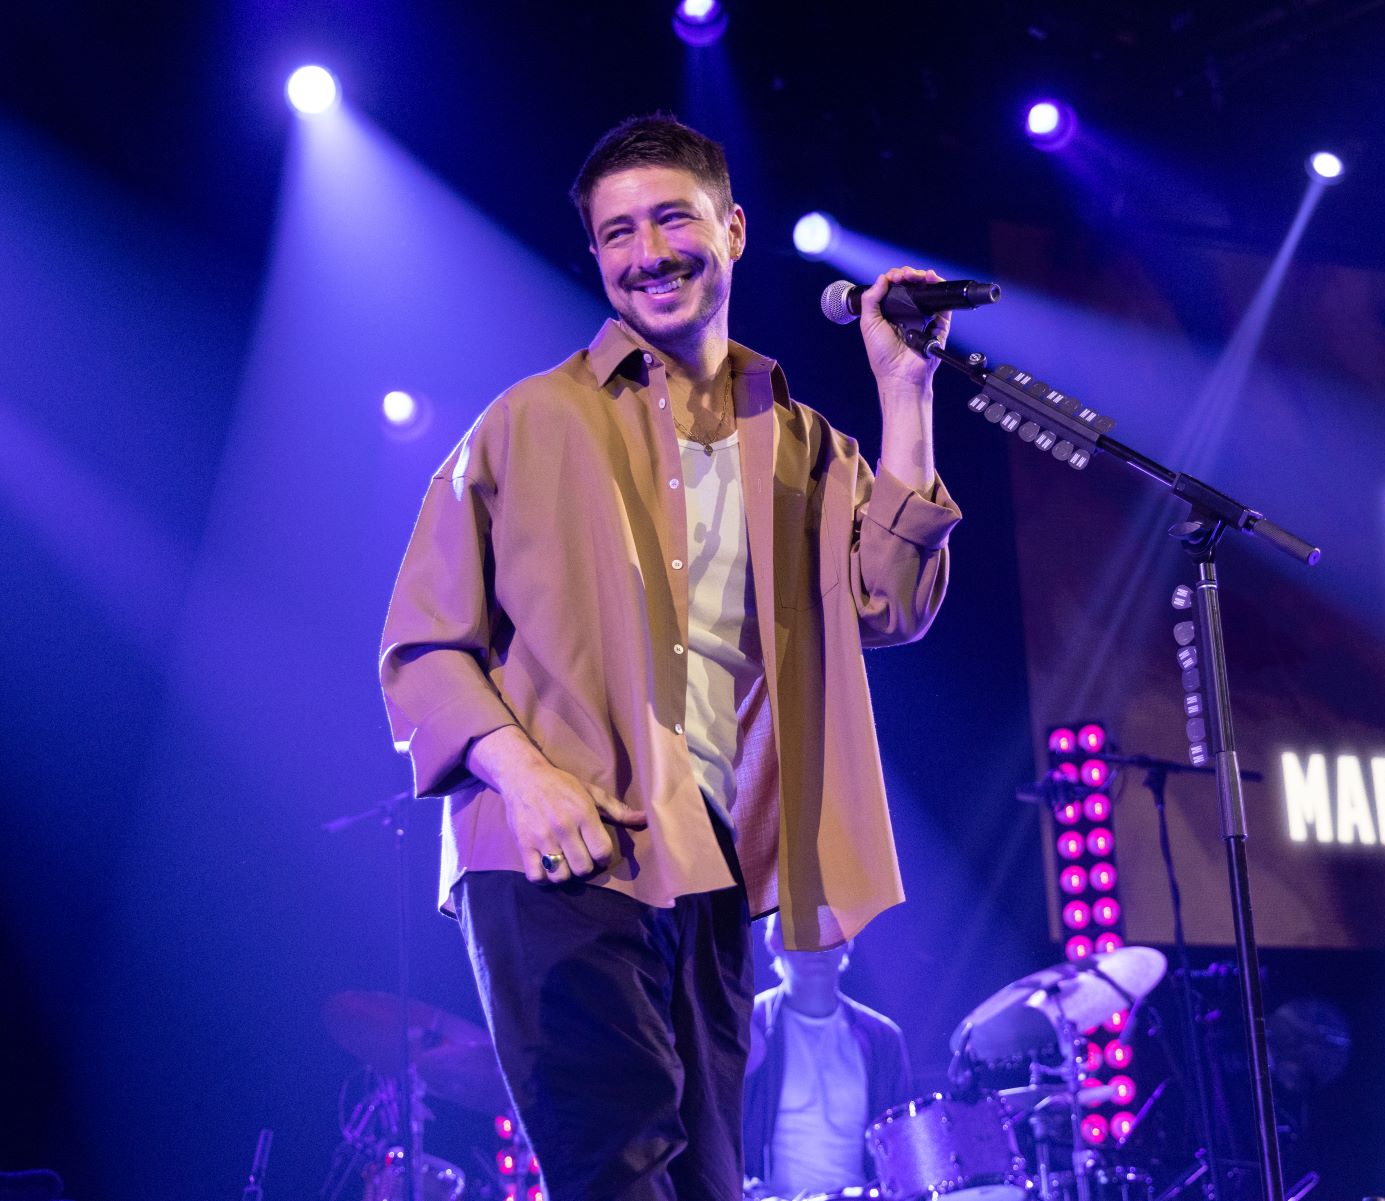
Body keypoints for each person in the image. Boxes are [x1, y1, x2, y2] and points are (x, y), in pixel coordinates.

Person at [377, 113, 959, 1201]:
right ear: (596, 258)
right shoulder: (530, 422)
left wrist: (906, 389)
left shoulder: (800, 443)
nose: (649, 255)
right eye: (618, 235)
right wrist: (527, 776)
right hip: (553, 853)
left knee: (707, 1183)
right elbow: (422, 647)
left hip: (712, 864)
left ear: (732, 230)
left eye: (672, 220)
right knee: (620, 1173)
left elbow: (892, 603)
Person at [742, 914, 911, 1199]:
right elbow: (712, 1136)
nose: (818, 942)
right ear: (774, 940)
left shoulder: (883, 1038)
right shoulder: (747, 1027)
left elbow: (904, 1146)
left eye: (830, 929)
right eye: (804, 928)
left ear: (848, 941)